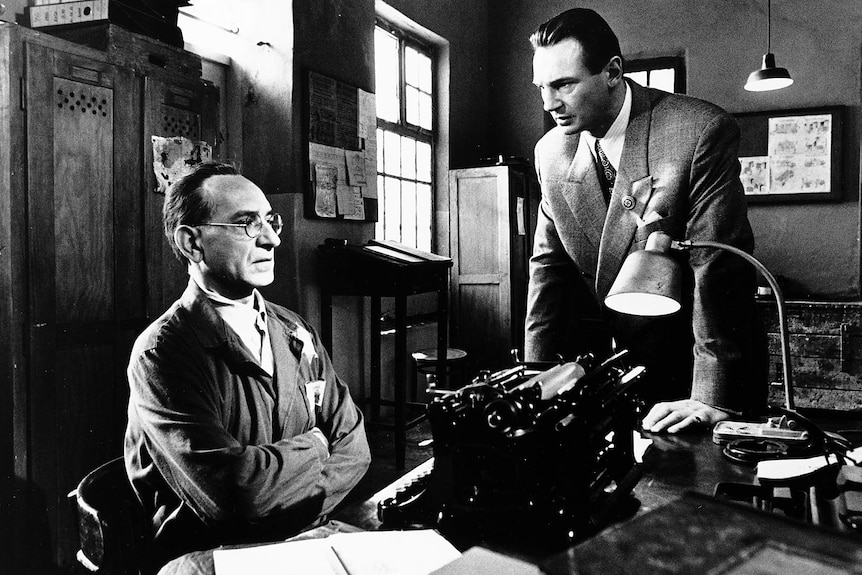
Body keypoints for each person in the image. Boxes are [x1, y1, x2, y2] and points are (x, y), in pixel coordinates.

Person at [525, 8, 767, 434]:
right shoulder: (550, 153)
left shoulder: (698, 130)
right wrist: (534, 377)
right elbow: (548, 269)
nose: (549, 103)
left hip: (694, 366)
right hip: (608, 368)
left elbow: (717, 270)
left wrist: (711, 398)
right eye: (542, 87)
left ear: (613, 72)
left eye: (563, 84)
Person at [124, 161, 371, 573]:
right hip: (213, 556)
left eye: (270, 221)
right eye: (247, 225)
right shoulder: (162, 353)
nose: (273, 239)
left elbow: (357, 449)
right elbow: (235, 497)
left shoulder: (294, 328)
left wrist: (276, 483)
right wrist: (317, 444)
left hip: (306, 538)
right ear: (192, 243)